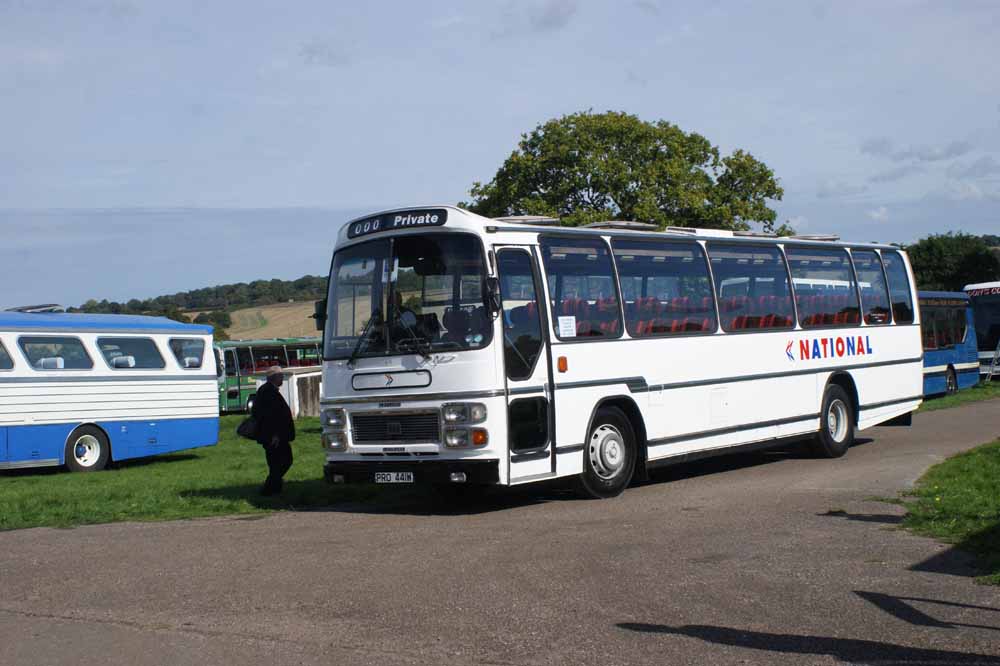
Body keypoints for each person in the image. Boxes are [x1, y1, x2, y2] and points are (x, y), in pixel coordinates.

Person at [251, 366, 295, 495]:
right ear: (274, 377)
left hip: (275, 435)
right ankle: (269, 489)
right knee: (283, 461)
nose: (282, 378)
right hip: (274, 436)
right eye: (280, 376)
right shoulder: (268, 392)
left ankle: (273, 488)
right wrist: (275, 435)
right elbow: (270, 416)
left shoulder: (268, 390)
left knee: (278, 463)